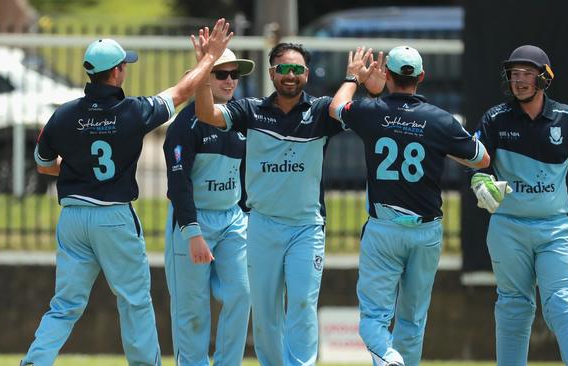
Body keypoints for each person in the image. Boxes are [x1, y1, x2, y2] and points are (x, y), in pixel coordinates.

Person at [21, 19, 233, 366]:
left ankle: (35, 361)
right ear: (117, 73)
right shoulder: (133, 111)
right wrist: (209, 58)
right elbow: (180, 93)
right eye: (124, 66)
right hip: (113, 218)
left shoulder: (63, 115)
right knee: (134, 300)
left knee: (64, 305)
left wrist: (77, 169)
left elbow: (44, 164)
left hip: (73, 218)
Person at [194, 43, 382, 365]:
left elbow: (366, 117)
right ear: (272, 73)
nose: (290, 76)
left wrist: (368, 88)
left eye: (297, 69)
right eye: (283, 69)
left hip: (306, 228)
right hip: (263, 225)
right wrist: (204, 68)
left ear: (307, 74)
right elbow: (206, 113)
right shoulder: (250, 111)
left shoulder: (322, 111)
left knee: (302, 304)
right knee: (265, 312)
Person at [329, 46, 490, 366]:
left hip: (384, 229)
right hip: (426, 232)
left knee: (373, 319)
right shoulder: (441, 120)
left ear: (386, 74)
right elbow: (482, 158)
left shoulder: (371, 112)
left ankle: (390, 359)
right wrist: (439, 147)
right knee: (413, 321)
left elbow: (336, 108)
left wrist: (353, 78)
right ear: (421, 77)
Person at [469, 44, 568, 366]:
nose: (518, 81)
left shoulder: (566, 118)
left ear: (544, 78)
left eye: (527, 74)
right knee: (514, 308)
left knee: (564, 305)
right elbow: (475, 157)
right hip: (508, 227)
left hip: (555, 228)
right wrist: (481, 179)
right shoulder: (495, 118)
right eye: (514, 74)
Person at [163, 47, 255, 366]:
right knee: (192, 309)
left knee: (242, 295)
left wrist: (245, 214)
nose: (230, 81)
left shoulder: (240, 119)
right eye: (221, 73)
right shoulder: (184, 126)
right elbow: (178, 185)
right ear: (204, 76)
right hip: (192, 223)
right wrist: (192, 232)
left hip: (232, 220)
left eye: (235, 75)